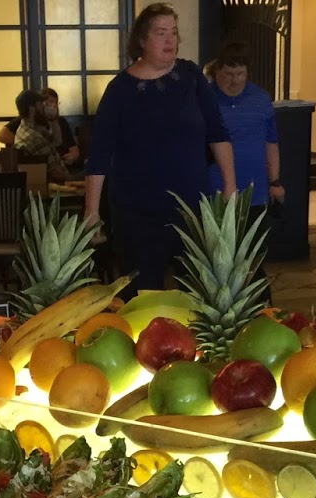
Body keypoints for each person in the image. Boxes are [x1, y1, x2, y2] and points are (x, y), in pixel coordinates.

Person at [84, 4, 235, 295]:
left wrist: (230, 186)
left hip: (193, 209)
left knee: (201, 294)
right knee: (141, 296)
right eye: (161, 33)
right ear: (142, 40)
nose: (170, 40)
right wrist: (92, 211)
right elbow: (100, 154)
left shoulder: (191, 76)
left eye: (174, 33)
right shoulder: (119, 90)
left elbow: (218, 133)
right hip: (137, 213)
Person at [206, 47, 282, 218]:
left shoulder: (261, 98)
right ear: (216, 71)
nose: (235, 80)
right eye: (228, 74)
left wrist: (275, 181)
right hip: (215, 189)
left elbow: (271, 143)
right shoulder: (205, 99)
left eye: (240, 74)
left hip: (256, 190)